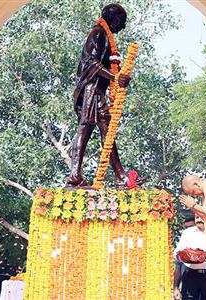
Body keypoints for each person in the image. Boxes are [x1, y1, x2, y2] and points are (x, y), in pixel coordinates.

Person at [67, 3, 144, 188]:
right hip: (90, 90)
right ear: (113, 18)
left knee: (106, 131)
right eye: (121, 21)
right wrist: (115, 77)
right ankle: (75, 176)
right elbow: (90, 63)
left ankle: (120, 176)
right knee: (85, 129)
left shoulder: (104, 36)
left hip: (97, 90)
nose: (122, 26)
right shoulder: (98, 33)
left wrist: (115, 78)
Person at [173, 214, 206, 300]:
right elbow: (177, 252)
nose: (198, 220)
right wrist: (186, 255)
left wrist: (205, 257)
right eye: (196, 217)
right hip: (190, 274)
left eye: (201, 217)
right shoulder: (188, 232)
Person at [173, 215, 196, 300]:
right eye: (186, 228)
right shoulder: (183, 245)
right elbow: (178, 267)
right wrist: (176, 288)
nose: (188, 230)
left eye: (191, 227)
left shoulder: (205, 240)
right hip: (187, 286)